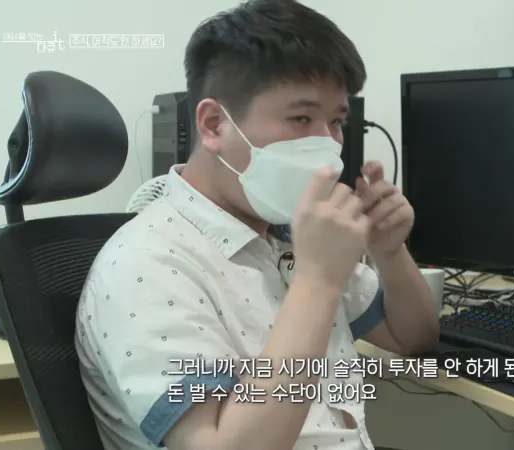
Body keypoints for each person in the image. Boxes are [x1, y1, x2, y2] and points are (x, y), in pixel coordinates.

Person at [75, 1, 439, 449]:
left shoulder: (287, 234)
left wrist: (388, 250)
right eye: (301, 118)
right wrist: (317, 281)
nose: (328, 146)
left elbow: (412, 337)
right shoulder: (146, 265)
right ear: (214, 125)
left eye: (336, 122)